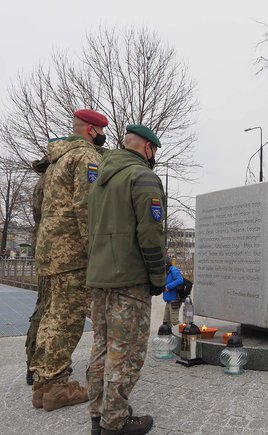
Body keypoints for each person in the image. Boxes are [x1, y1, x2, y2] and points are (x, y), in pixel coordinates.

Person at [86, 124, 166, 435]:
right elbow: (150, 233)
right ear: (148, 148)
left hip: (100, 278)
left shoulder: (100, 180)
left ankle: (99, 413)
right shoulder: (143, 177)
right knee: (127, 350)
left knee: (102, 347)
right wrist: (158, 275)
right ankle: (114, 423)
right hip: (130, 281)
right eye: (154, 151)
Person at [29, 109, 106, 411]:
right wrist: (95, 253)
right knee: (67, 320)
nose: (102, 136)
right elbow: (89, 209)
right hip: (72, 254)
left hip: (49, 251)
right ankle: (57, 386)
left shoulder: (56, 159)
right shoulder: (86, 157)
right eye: (100, 131)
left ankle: (43, 385)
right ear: (91, 131)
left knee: (50, 316)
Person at [25, 155, 50, 386]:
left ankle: (34, 363)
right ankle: (38, 364)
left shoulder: (42, 182)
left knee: (43, 306)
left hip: (44, 248)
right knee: (48, 309)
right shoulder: (49, 181)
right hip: (53, 250)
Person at [162, 257, 184, 326]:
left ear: (166, 264)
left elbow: (180, 280)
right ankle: (169, 336)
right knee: (166, 322)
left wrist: (168, 286)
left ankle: (184, 333)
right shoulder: (166, 272)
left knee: (175, 322)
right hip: (168, 300)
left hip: (174, 300)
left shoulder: (174, 270)